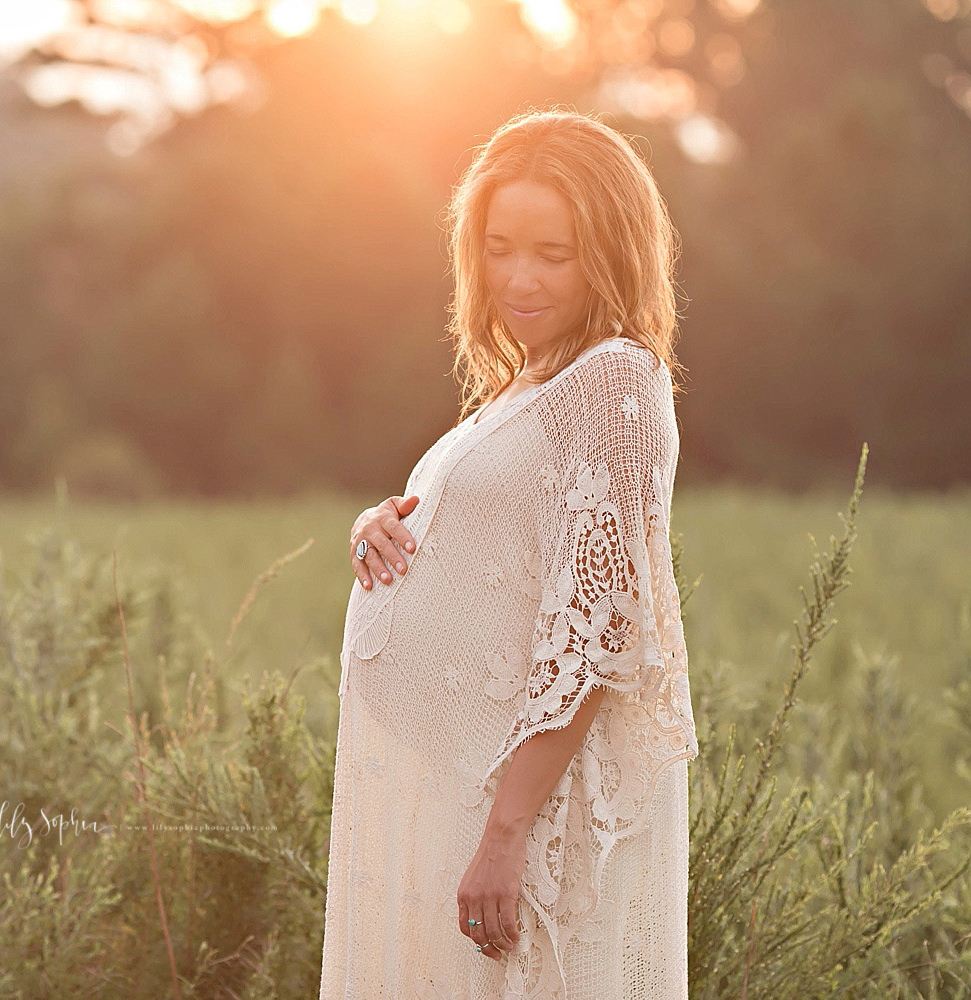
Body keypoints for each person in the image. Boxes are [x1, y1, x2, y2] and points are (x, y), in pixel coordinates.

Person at [319, 108, 700, 999]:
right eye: (497, 247)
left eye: (552, 253)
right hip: (455, 790)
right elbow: (500, 543)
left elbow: (600, 630)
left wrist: (505, 834)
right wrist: (377, 531)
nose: (517, 278)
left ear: (610, 252)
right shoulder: (531, 382)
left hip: (517, 809)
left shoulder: (613, 383)